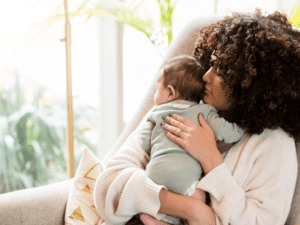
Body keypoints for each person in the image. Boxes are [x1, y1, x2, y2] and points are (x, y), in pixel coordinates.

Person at [94, 9, 299, 225]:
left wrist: (210, 158)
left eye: (221, 72)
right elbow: (108, 186)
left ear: (251, 87)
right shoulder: (186, 106)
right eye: (211, 63)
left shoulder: (274, 146)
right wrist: (193, 210)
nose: (205, 75)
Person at [138, 55, 244, 225]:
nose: (206, 76)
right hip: (185, 179)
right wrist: (243, 129)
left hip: (153, 175)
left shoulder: (155, 113)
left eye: (157, 89)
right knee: (199, 198)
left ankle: (157, 218)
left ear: (171, 92)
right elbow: (230, 134)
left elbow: (143, 143)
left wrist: (158, 146)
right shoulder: (204, 111)